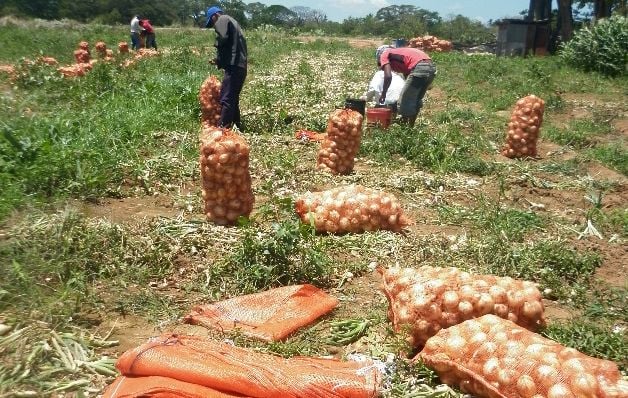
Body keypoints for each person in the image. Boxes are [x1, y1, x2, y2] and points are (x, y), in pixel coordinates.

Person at [205, 6, 248, 131]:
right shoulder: (232, 22)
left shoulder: (222, 19)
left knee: (227, 97)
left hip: (234, 66)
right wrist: (219, 60)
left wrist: (217, 47)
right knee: (232, 97)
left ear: (214, 16)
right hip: (240, 66)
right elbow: (231, 45)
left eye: (212, 22)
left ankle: (223, 130)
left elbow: (222, 37)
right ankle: (237, 126)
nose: (214, 25)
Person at [375, 45, 436, 126]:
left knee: (404, 101)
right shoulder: (399, 54)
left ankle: (404, 127)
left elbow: (388, 76)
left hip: (420, 67)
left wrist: (384, 93)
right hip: (431, 67)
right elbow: (408, 78)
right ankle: (410, 126)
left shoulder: (385, 54)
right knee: (416, 100)